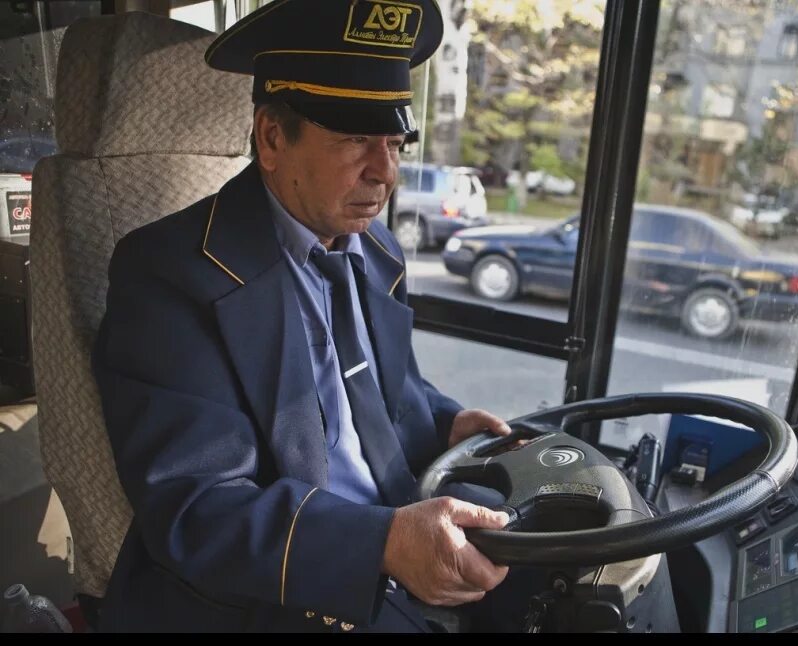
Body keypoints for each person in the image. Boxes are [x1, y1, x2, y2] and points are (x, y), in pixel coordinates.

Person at [93, 0, 518, 632]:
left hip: (392, 519)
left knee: (585, 567)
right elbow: (197, 506)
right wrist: (384, 542)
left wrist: (447, 420)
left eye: (395, 142)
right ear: (270, 138)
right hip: (274, 588)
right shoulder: (166, 273)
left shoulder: (375, 249)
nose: (386, 172)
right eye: (354, 139)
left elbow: (381, 390)